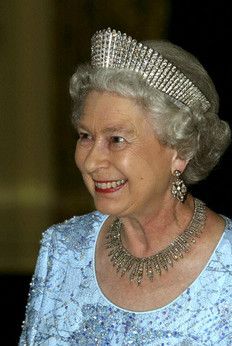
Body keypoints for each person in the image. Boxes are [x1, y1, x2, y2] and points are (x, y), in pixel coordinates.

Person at [19, 28, 232, 345]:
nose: (91, 162)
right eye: (85, 136)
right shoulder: (62, 249)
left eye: (116, 139)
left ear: (181, 151)